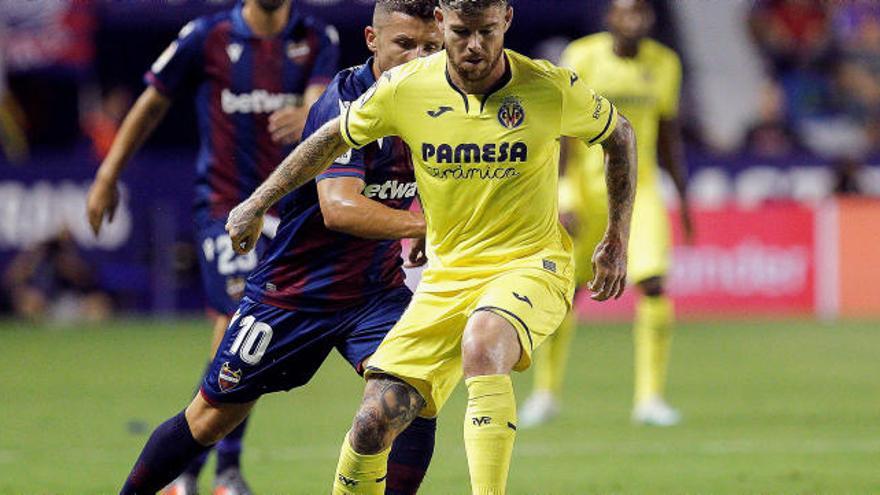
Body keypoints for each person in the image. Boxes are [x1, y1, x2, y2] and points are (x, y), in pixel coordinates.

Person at [225, 0, 638, 492]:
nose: (475, 46)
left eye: (487, 31)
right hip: (447, 277)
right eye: (462, 31)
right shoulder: (406, 89)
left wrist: (616, 239)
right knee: (372, 423)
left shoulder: (549, 87)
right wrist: (256, 202)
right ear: (441, 24)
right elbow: (329, 140)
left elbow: (621, 136)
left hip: (531, 264)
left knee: (483, 343)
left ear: (506, 20)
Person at [115, 1, 443, 494]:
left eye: (431, 47)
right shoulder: (350, 101)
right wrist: (422, 228)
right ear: (373, 41)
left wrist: (417, 219)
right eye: (405, 44)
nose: (419, 58)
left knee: (413, 397)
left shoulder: (438, 98)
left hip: (374, 293)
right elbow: (340, 208)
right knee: (208, 419)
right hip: (294, 293)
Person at [85, 0, 338, 493]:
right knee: (239, 322)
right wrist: (107, 173)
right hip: (224, 208)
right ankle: (215, 473)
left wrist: (306, 113)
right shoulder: (207, 35)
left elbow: (320, 101)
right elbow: (152, 100)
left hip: (288, 214)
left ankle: (198, 472)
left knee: (248, 336)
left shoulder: (317, 37)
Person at [520, 0, 692, 428]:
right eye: (625, 11)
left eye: (640, 12)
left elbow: (668, 134)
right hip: (585, 190)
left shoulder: (666, 64)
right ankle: (545, 393)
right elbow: (558, 130)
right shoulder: (581, 56)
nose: (633, 19)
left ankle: (650, 398)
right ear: (610, 18)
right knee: (569, 291)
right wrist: (561, 194)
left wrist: (684, 199)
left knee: (653, 283)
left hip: (642, 190)